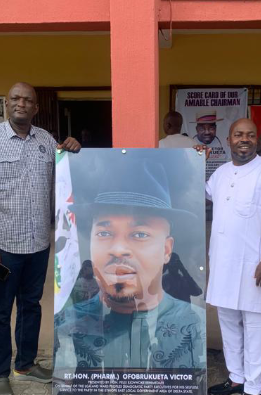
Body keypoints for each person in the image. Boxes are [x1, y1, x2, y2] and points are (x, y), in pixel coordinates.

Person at [0, 82, 81, 395]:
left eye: (28, 100)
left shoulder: (46, 141)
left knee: (32, 306)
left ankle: (26, 364)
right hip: (3, 245)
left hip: (38, 242)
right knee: (2, 311)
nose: (21, 104)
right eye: (15, 98)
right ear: (6, 103)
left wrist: (73, 148)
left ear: (35, 108)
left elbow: (63, 174)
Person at [54, 159, 205, 370]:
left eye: (140, 234)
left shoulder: (195, 326)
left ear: (166, 250)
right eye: (104, 233)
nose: (118, 250)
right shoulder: (66, 322)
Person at [199, 118, 261, 395]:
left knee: (254, 324)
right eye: (239, 135)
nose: (244, 139)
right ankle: (236, 378)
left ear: (257, 140)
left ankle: (253, 388)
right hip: (223, 263)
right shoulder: (222, 173)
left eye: (250, 135)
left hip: (255, 265)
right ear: (229, 139)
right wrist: (192, 162)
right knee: (227, 320)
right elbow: (202, 193)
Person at [191, 110, 228, 178]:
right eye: (202, 129)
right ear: (196, 129)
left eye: (211, 128)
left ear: (216, 128)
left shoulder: (222, 144)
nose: (207, 132)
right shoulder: (190, 145)